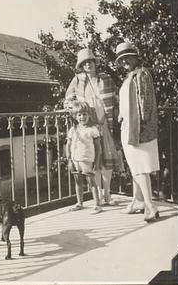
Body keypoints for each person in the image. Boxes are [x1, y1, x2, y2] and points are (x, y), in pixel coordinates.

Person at [64, 48, 119, 206]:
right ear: (81, 65)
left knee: (106, 160)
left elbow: (116, 98)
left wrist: (117, 115)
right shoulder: (78, 80)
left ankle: (107, 193)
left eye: (90, 61)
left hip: (104, 123)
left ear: (95, 62)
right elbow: (67, 100)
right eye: (84, 62)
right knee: (94, 160)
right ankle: (99, 197)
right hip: (88, 127)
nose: (88, 64)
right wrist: (77, 110)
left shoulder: (105, 78)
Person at [115, 41, 160, 222]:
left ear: (135, 56)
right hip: (129, 127)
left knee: (140, 168)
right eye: (122, 59)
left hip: (138, 130)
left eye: (128, 57)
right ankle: (138, 201)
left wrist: (138, 125)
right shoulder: (131, 76)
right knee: (135, 167)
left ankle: (150, 206)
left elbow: (145, 104)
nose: (125, 61)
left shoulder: (142, 74)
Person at [66, 100, 102, 214]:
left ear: (89, 115)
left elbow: (98, 147)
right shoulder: (73, 130)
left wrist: (96, 161)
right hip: (75, 159)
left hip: (87, 159)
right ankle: (79, 203)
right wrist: (69, 160)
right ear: (75, 116)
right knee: (78, 181)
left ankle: (97, 204)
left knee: (91, 181)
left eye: (84, 114)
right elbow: (68, 145)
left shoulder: (92, 129)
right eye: (79, 115)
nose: (82, 117)